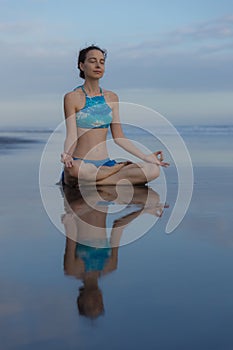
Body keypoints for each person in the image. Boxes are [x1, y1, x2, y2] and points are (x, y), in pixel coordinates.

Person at [60, 45, 169, 186]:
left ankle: (96, 182)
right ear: (82, 65)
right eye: (93, 61)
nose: (98, 65)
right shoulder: (72, 97)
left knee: (153, 170)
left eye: (101, 62)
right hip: (82, 164)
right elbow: (71, 135)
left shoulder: (112, 97)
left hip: (106, 163)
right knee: (74, 169)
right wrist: (68, 154)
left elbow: (119, 137)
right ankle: (113, 175)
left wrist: (145, 156)